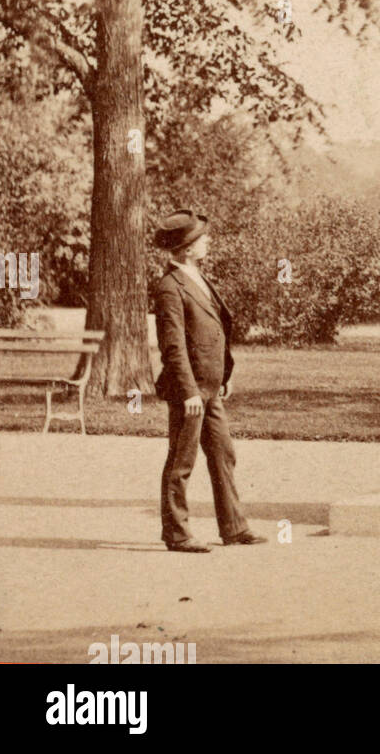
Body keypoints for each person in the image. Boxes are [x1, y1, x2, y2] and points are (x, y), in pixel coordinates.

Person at [152, 209, 266, 552]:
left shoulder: (196, 277)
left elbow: (214, 330)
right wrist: (188, 391)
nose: (208, 241)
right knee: (181, 460)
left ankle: (233, 527)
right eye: (203, 238)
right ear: (187, 248)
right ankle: (177, 533)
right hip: (190, 391)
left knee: (223, 453)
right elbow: (172, 347)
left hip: (210, 388)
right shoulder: (170, 288)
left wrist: (224, 375)